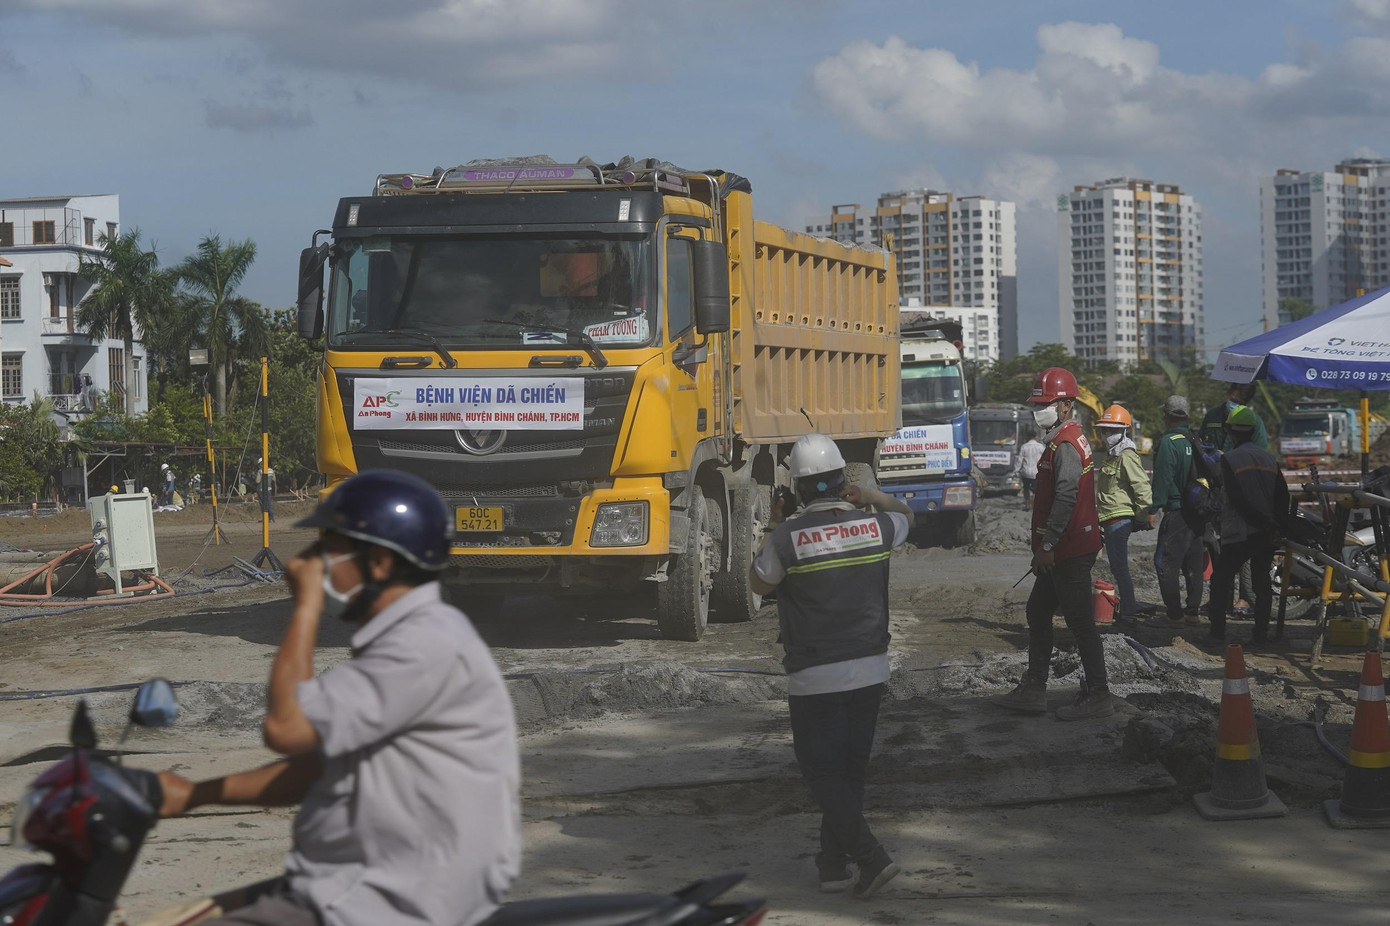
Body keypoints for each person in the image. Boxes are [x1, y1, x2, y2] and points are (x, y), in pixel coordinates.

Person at [155, 470, 520, 926]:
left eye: (329, 547)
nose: (311, 561)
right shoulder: (408, 639)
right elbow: (316, 765)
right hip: (358, 881)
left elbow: (286, 729)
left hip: (386, 897)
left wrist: (305, 605)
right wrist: (193, 794)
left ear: (381, 563)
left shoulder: (423, 647)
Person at [749, 434, 914, 898]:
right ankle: (832, 865)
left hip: (814, 674)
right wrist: (871, 497)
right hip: (870, 668)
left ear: (797, 489)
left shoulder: (786, 539)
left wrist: (775, 526)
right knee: (849, 773)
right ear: (843, 480)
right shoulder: (877, 526)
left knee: (822, 774)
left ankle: (871, 857)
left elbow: (759, 585)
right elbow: (908, 517)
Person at [994, 367, 1111, 720]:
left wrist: (1047, 547)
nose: (1038, 410)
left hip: (1069, 549)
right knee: (1038, 612)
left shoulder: (1066, 445)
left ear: (1064, 406)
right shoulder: (1062, 439)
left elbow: (1065, 498)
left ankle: (1099, 694)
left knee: (1079, 623)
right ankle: (1034, 688)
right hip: (1064, 547)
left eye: (1045, 404)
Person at [1208, 406, 1289, 648]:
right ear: (1253, 431)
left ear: (1230, 432)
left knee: (1221, 579)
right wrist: (1276, 527)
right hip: (1266, 530)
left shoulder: (1230, 459)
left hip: (1242, 531)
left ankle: (1217, 633)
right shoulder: (1268, 458)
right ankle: (1261, 635)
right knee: (1261, 581)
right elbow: (1283, 496)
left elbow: (1238, 498)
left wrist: (1259, 522)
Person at [1148, 395, 1206, 628]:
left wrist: (1153, 509)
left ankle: (1174, 615)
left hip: (1177, 512)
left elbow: (1162, 479)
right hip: (1198, 513)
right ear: (1187, 415)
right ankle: (1192, 613)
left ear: (1166, 416)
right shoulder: (1195, 439)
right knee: (1194, 566)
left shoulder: (1168, 442)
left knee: (1165, 564)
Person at [1093, 405, 1153, 625]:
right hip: (1108, 519)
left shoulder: (1127, 456)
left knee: (1120, 568)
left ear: (1124, 431)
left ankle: (1128, 613)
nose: (1107, 434)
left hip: (1119, 521)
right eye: (1104, 430)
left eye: (1111, 430)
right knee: (1117, 567)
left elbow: (1143, 490)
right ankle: (1127, 610)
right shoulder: (1112, 456)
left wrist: (1140, 518)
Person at [1200, 381, 1269, 451]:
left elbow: (1259, 453)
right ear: (1229, 393)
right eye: (1233, 400)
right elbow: (1201, 442)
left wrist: (1229, 458)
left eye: (1239, 403)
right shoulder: (1212, 415)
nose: (1234, 405)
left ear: (1247, 403)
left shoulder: (1255, 422)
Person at [1019, 430, 1044, 510]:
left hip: (1025, 472)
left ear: (1028, 437)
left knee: (1026, 489)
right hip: (1036, 472)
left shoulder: (1024, 447)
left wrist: (1016, 470)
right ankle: (1034, 505)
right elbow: (1044, 459)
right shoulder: (1040, 447)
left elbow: (1019, 460)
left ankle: (1027, 505)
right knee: (1035, 490)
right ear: (1036, 437)